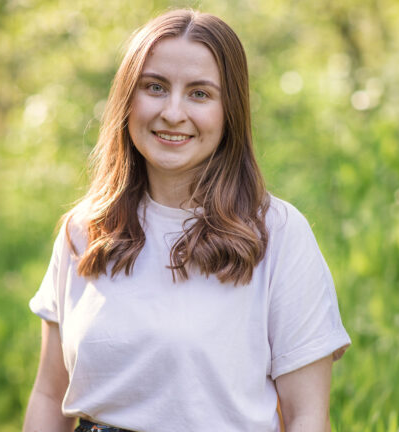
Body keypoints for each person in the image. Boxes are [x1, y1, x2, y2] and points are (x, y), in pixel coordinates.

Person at [22, 8, 351, 432]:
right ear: (127, 98)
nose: (173, 112)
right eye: (155, 87)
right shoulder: (84, 230)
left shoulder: (278, 234)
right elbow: (50, 394)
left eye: (199, 93)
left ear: (229, 110)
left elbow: (306, 416)